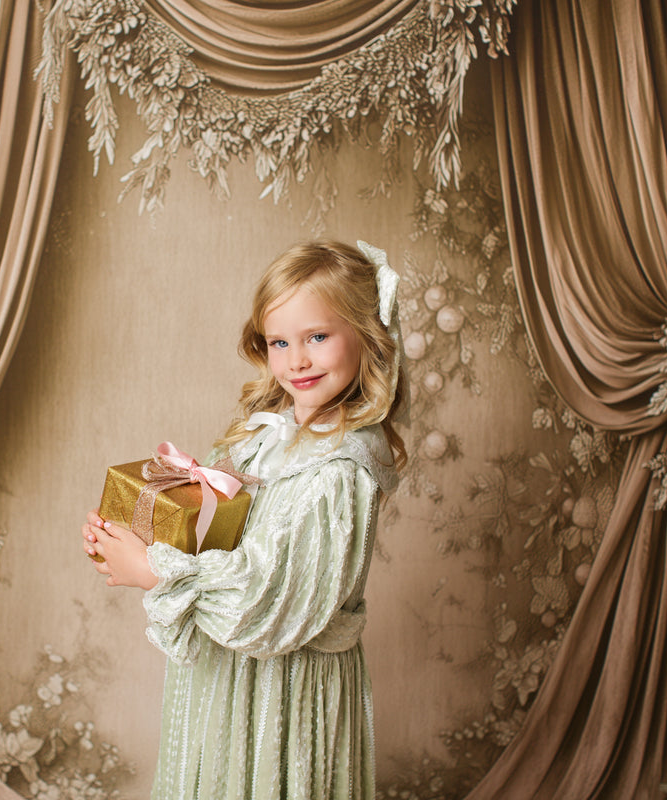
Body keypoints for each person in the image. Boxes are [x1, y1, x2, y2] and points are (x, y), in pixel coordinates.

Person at [81, 239, 407, 800]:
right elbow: (217, 526)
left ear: (367, 336)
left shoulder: (340, 472)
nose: (296, 361)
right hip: (228, 680)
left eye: (318, 337)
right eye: (280, 342)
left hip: (283, 689)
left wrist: (155, 572)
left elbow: (268, 598)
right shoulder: (268, 439)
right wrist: (135, 530)